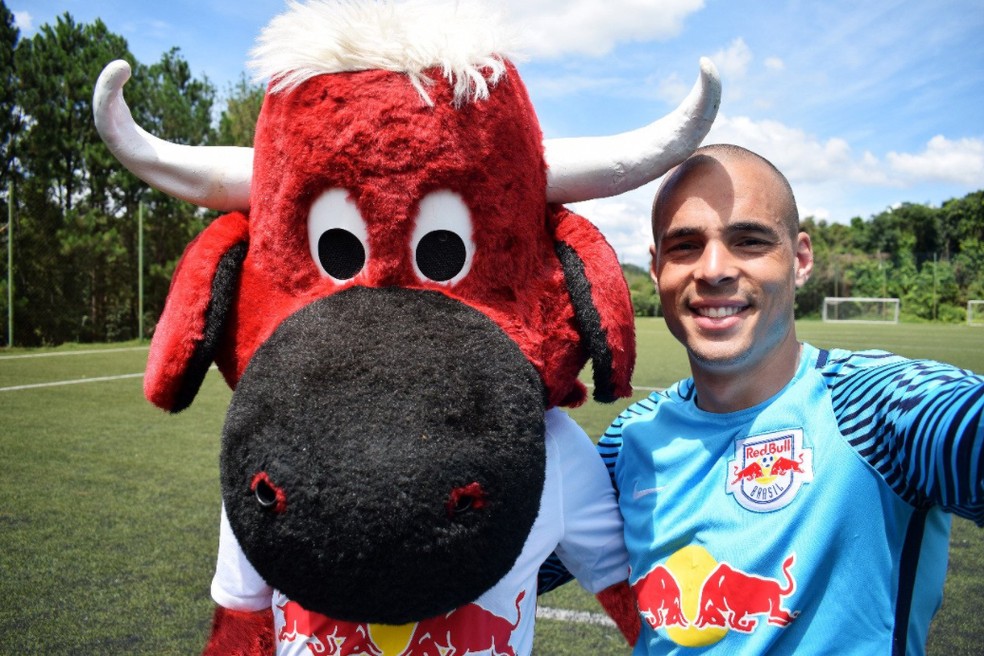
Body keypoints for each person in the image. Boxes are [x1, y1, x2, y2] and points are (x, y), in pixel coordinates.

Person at [600, 143, 984, 654]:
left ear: (800, 259)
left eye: (749, 241)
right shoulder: (627, 439)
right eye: (685, 246)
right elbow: (496, 557)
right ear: (656, 268)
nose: (713, 269)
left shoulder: (878, 406)